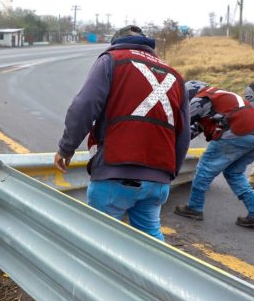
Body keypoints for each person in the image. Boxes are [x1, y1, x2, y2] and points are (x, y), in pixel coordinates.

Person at [53, 25, 190, 241]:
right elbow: (183, 135)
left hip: (116, 173)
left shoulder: (112, 59)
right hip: (158, 179)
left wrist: (66, 148)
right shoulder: (175, 76)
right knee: (150, 240)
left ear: (116, 42)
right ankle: (152, 275)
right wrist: (168, 174)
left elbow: (84, 105)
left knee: (101, 240)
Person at [174, 81, 254, 228]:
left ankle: (194, 208)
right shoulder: (221, 97)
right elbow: (193, 130)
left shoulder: (200, 99)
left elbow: (181, 127)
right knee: (234, 173)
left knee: (204, 168)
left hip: (236, 133)